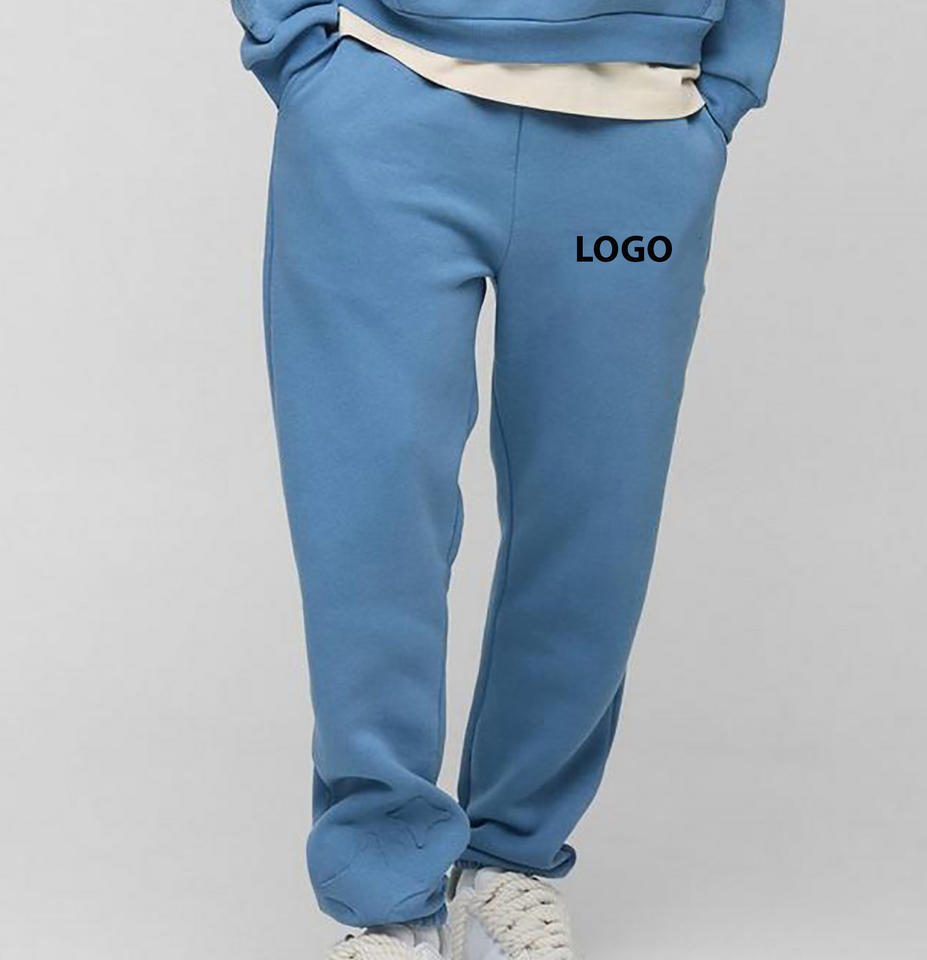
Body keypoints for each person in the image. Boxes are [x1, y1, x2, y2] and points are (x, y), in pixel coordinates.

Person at [231, 0, 785, 956]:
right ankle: (385, 883)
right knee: (366, 518)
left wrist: (727, 85)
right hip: (383, 106)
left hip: (635, 144)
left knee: (596, 516)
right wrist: (296, 47)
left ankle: (513, 858)